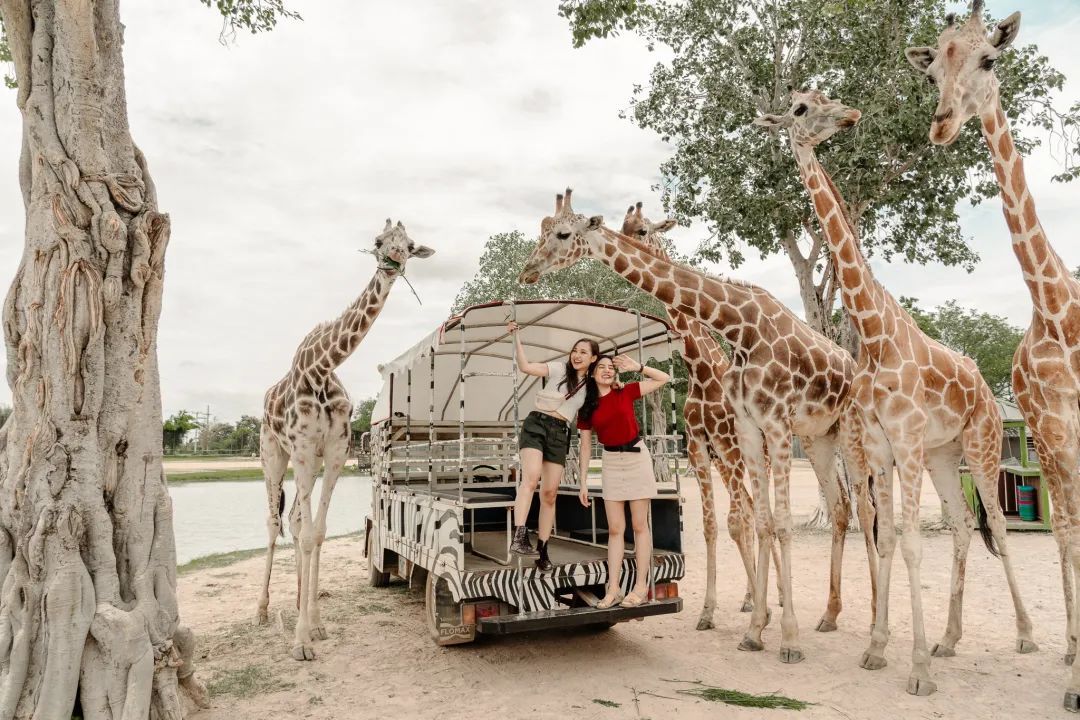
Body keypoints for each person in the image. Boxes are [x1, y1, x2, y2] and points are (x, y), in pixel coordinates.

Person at [576, 353, 670, 608]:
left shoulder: (626, 391)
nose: (607, 371)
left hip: (637, 457)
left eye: (610, 367)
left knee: (640, 525)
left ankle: (640, 586)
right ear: (592, 373)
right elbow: (585, 448)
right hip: (611, 462)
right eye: (601, 367)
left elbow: (664, 377)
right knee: (616, 529)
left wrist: (637, 367)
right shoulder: (586, 408)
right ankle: (613, 588)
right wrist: (583, 482)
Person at [507, 321, 599, 570]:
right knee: (531, 478)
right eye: (575, 350)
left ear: (593, 358)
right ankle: (520, 535)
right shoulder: (559, 369)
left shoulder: (592, 388)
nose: (577, 355)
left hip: (560, 433)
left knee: (549, 494)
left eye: (583, 352)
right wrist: (516, 336)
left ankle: (543, 550)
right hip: (537, 424)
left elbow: (608, 392)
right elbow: (525, 366)